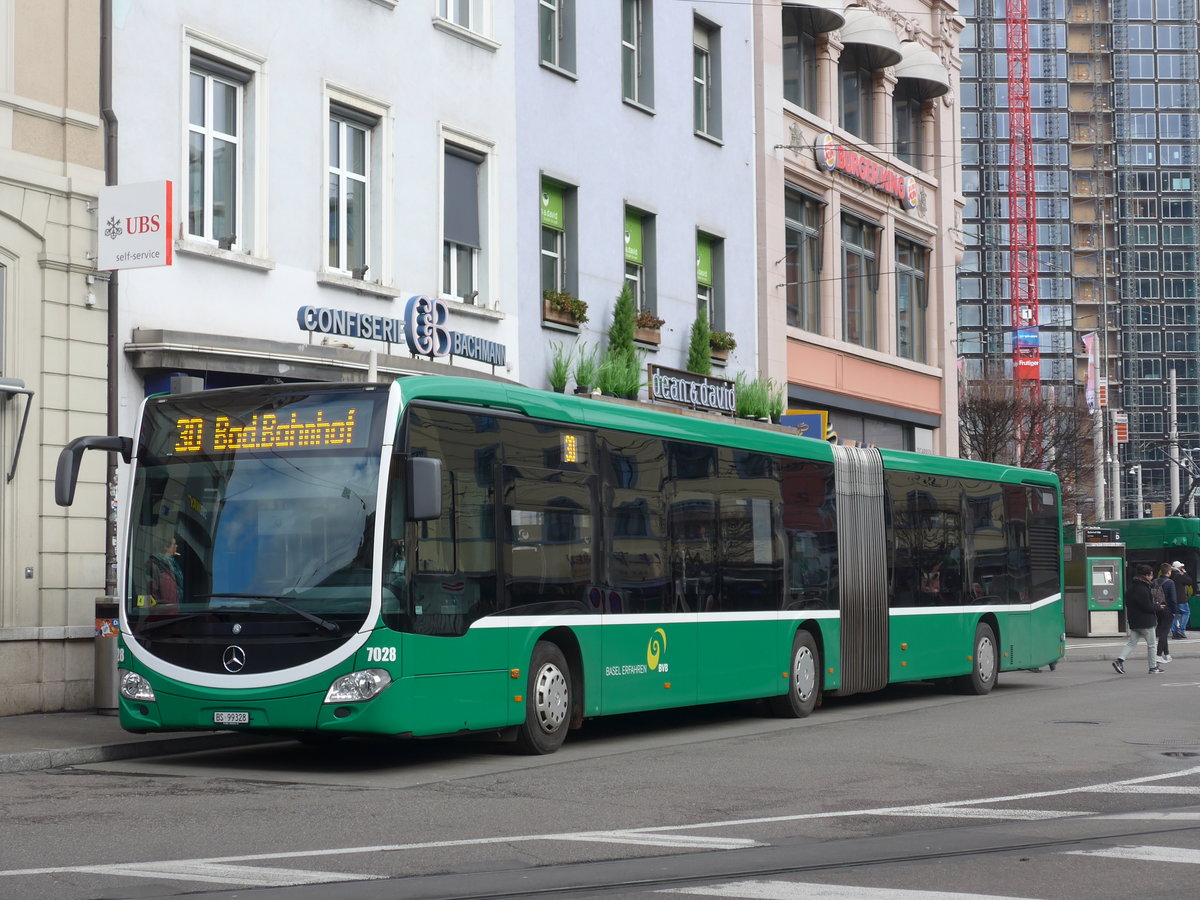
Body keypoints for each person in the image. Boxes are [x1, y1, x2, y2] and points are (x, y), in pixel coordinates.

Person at [1111, 563, 1163, 675]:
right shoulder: (1143, 589)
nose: (1152, 577)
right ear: (1147, 575)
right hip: (1146, 622)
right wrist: (1158, 607)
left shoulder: (1131, 588)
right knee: (1152, 645)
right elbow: (1147, 606)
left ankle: (1119, 660)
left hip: (1134, 621)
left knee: (1131, 643)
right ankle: (1153, 667)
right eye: (1151, 575)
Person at [147, 535, 184, 612]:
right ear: (166, 547)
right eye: (174, 544)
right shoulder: (157, 564)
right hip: (164, 611)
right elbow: (153, 590)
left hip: (173, 608)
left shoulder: (172, 564)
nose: (176, 546)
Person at [1153, 562, 1177, 664]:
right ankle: (1158, 655)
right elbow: (1173, 599)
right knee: (1164, 633)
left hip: (1158, 609)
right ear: (1169, 572)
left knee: (1163, 631)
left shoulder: (1155, 581)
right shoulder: (1170, 582)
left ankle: (1167, 654)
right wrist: (1175, 611)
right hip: (1168, 610)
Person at [1170, 560, 1193, 639]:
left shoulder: (1170, 575)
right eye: (1181, 567)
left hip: (1172, 599)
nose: (1182, 568)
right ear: (1178, 568)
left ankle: (1174, 632)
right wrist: (1185, 573)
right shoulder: (1179, 576)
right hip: (1181, 599)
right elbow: (1189, 581)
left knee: (1175, 615)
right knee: (1186, 613)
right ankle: (1181, 630)